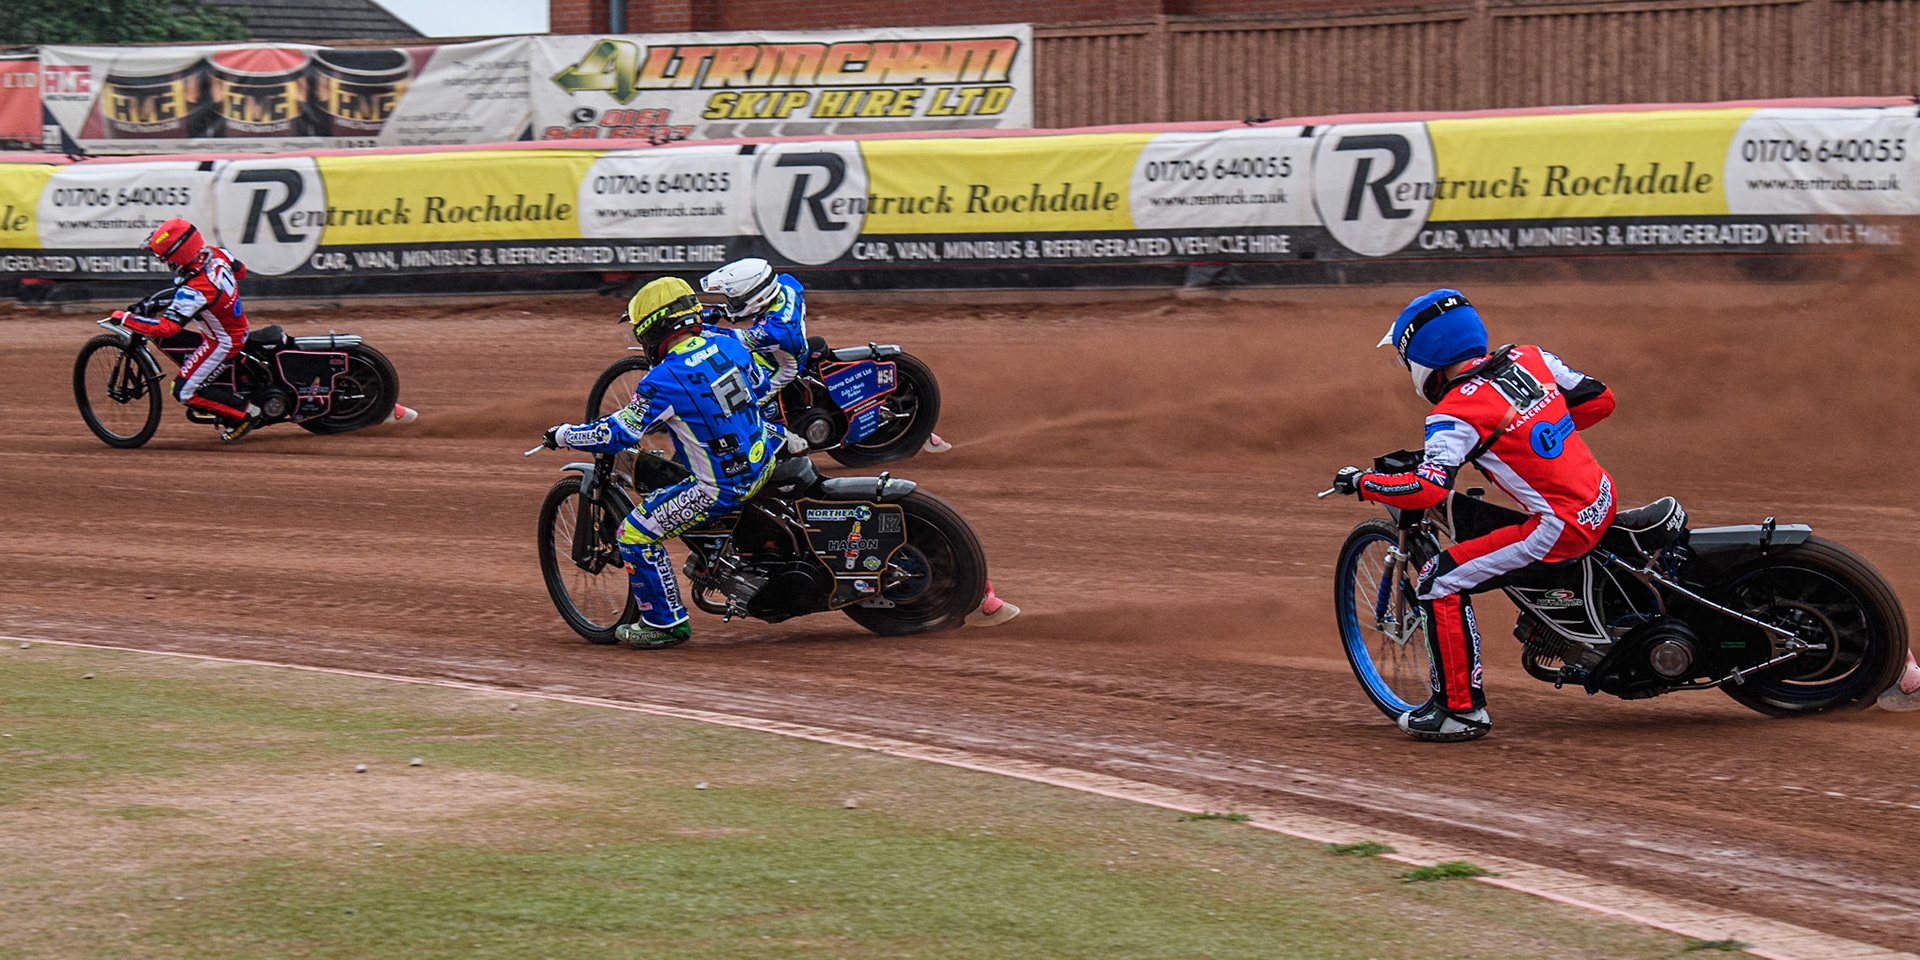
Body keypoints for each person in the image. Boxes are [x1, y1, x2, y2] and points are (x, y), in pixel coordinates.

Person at [1330, 289, 1619, 742]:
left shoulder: (1453, 414)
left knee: (1436, 579)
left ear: (1424, 358)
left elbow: (1426, 488)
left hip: (1560, 527)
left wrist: (1362, 483)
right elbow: (1599, 401)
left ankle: (1460, 713)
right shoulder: (1531, 357)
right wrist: (1536, 433)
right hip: (1602, 495)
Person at [540, 276, 784, 649]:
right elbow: (762, 384)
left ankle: (665, 623)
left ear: (654, 330)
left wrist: (564, 435)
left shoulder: (663, 379)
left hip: (722, 486)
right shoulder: (726, 344)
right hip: (766, 452)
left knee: (634, 534)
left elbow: (617, 434)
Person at [112, 217, 261, 441]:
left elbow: (167, 327)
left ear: (176, 257)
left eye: (166, 260)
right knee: (168, 342)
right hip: (234, 327)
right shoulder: (215, 253)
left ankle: (245, 413)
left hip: (223, 342)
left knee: (183, 391)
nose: (167, 265)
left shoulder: (195, 289)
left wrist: (126, 318)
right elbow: (240, 272)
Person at [698, 257, 809, 395]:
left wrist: (693, 325)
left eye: (735, 300)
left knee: (737, 405)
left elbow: (728, 338)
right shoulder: (785, 285)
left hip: (780, 368)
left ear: (758, 297)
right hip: (774, 350)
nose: (733, 304)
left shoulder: (775, 330)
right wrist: (710, 314)